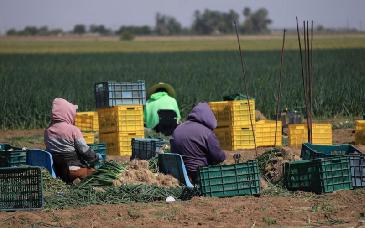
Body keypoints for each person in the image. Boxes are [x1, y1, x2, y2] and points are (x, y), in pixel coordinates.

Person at [44, 98, 100, 183]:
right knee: (97, 173)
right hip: (73, 170)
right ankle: (78, 180)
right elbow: (84, 150)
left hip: (57, 171)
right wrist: (95, 157)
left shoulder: (47, 131)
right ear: (68, 113)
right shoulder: (73, 130)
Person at [170, 102, 226, 183]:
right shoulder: (206, 133)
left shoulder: (177, 129)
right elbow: (218, 157)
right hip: (198, 174)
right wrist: (223, 155)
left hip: (179, 173)